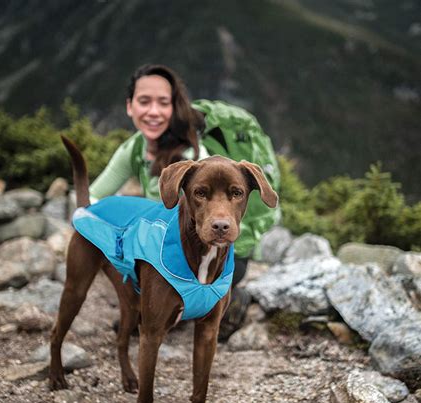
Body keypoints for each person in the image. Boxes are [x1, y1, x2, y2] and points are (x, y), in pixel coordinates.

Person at [89, 64, 280, 340]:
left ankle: (228, 298)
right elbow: (95, 197)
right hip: (171, 241)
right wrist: (104, 235)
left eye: (163, 102)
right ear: (130, 107)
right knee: (141, 282)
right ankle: (175, 306)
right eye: (144, 102)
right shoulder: (134, 148)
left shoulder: (195, 154)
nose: (153, 111)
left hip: (222, 246)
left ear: (175, 106)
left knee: (171, 298)